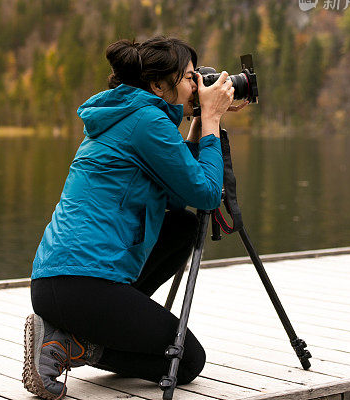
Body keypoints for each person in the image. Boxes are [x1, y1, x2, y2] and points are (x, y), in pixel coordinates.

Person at [23, 35, 244, 400]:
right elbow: (206, 193)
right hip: (82, 284)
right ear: (158, 85)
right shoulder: (147, 122)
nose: (197, 85)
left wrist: (202, 121)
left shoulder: (132, 116)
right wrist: (213, 119)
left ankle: (72, 335)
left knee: (182, 226)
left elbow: (181, 195)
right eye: (190, 77)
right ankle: (73, 345)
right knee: (187, 361)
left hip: (62, 281)